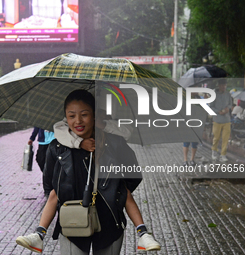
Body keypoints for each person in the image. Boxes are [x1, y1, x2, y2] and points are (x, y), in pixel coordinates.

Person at [16, 90, 160, 254]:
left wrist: (113, 194)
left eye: (84, 114)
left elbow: (132, 175)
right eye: (71, 116)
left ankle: (143, 232)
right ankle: (39, 233)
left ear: (94, 116)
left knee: (123, 190)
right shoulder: (57, 147)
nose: (78, 121)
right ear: (65, 118)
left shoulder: (115, 143)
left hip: (109, 222)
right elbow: (49, 185)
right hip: (72, 223)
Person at [209, 79, 233, 162]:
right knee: (216, 138)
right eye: (222, 85)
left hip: (227, 119)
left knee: (225, 139)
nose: (224, 87)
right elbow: (210, 106)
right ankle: (214, 152)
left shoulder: (228, 94)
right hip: (217, 119)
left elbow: (230, 104)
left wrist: (227, 109)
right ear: (219, 85)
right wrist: (218, 111)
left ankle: (223, 155)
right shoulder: (214, 95)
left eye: (225, 85)